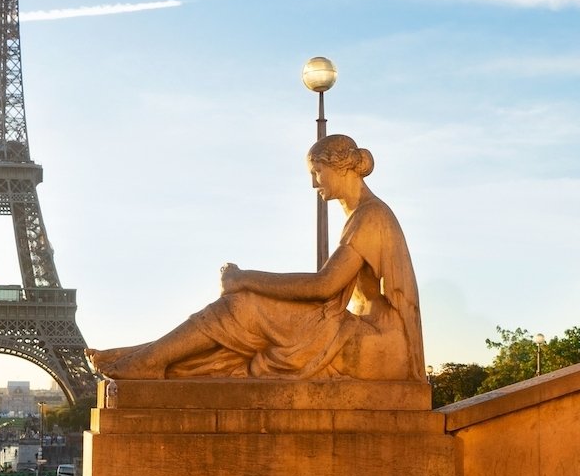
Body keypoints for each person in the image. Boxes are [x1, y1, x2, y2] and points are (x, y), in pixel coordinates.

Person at [87, 133, 424, 381]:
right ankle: (148, 357)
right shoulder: (363, 214)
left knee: (245, 304)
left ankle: (149, 360)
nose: (313, 182)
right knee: (249, 311)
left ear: (340, 168)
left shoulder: (371, 216)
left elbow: (324, 286)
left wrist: (244, 278)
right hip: (361, 335)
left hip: (378, 348)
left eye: (317, 171)